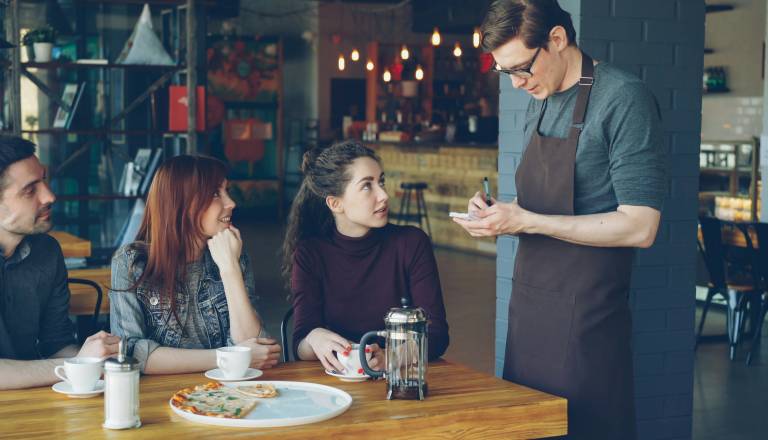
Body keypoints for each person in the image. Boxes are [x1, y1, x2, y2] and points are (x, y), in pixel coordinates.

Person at [453, 1, 667, 439]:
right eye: (504, 72)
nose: (516, 84)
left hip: (589, 316)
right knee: (527, 427)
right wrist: (499, 214)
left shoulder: (624, 98)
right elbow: (552, 202)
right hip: (531, 310)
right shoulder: (541, 98)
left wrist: (527, 221)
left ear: (556, 39)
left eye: (522, 68)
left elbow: (641, 226)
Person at [282, 140, 449, 373]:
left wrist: (390, 358)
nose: (384, 195)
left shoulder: (411, 243)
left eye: (381, 182)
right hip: (337, 386)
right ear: (335, 203)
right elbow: (300, 345)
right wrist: (313, 337)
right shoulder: (311, 254)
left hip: (400, 381)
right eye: (367, 186)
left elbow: (436, 334)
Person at [110, 155, 280, 374]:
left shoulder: (232, 254)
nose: (231, 203)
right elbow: (129, 353)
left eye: (226, 191)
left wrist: (230, 270)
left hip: (225, 395)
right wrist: (224, 358)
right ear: (182, 203)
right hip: (162, 397)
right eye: (215, 194)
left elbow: (256, 350)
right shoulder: (131, 263)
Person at [0, 136, 120, 390]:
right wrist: (77, 364)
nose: (50, 196)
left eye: (44, 179)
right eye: (30, 190)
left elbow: (56, 344)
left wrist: (99, 361)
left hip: (32, 405)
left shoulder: (47, 251)